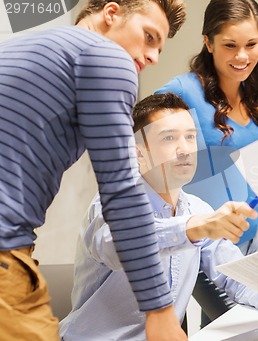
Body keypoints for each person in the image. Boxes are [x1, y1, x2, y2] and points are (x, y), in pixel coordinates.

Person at [0, 1, 188, 340]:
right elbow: (120, 193)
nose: (153, 57)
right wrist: (160, 310)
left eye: (159, 48)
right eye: (148, 37)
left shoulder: (20, 49)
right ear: (111, 13)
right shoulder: (107, 57)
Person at [59, 93, 258, 340]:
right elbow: (120, 246)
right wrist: (194, 228)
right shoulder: (112, 201)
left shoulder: (197, 210)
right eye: (168, 138)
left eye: (190, 137)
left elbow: (234, 276)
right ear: (139, 153)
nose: (185, 150)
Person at [155, 0, 258, 327]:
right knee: (242, 325)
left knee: (240, 331)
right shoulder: (182, 91)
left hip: (247, 243)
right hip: (199, 243)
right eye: (230, 45)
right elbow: (143, 150)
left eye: (251, 44)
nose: (242, 56)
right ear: (208, 42)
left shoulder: (256, 97)